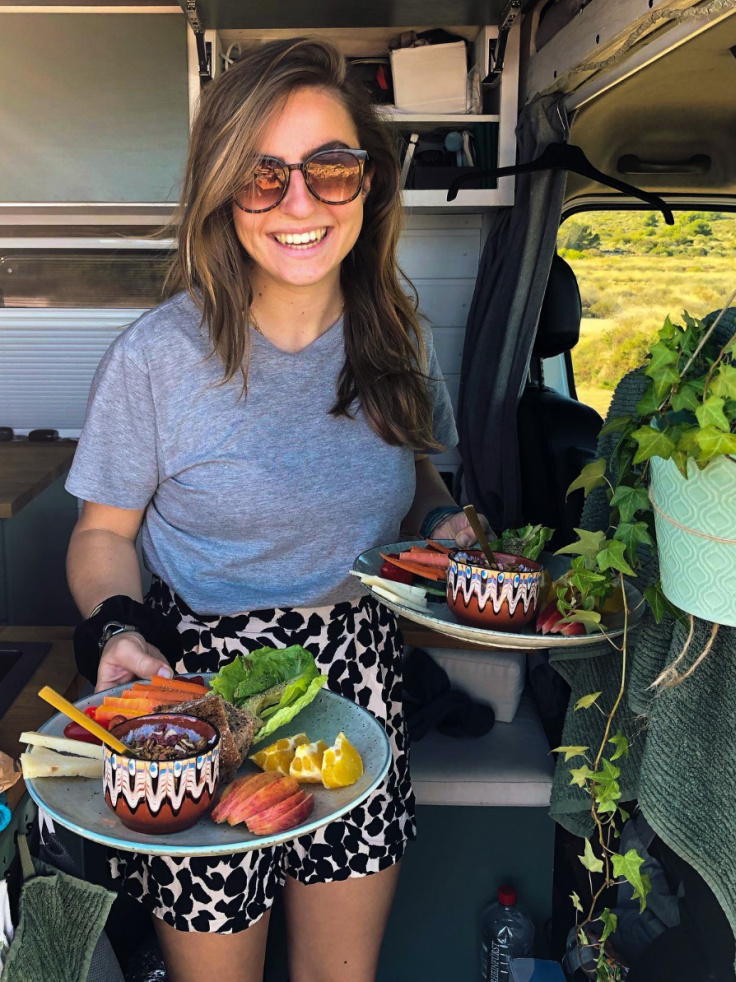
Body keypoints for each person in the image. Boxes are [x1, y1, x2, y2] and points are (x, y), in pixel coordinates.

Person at [65, 37, 491, 982]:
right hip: (199, 693)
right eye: (263, 176)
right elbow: (102, 533)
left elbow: (419, 483)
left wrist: (442, 529)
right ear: (224, 189)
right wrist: (119, 627)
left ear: (370, 184)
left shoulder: (399, 335)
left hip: (361, 685)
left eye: (330, 169)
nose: (300, 204)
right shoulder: (157, 359)